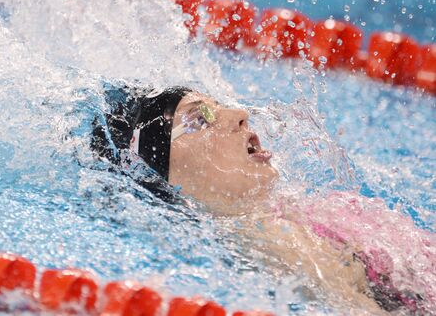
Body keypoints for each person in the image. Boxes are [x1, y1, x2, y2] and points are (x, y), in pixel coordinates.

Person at [90, 82, 434, 315]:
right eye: (201, 119)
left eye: (219, 107)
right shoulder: (268, 238)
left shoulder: (297, 215)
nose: (239, 115)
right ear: (162, 173)